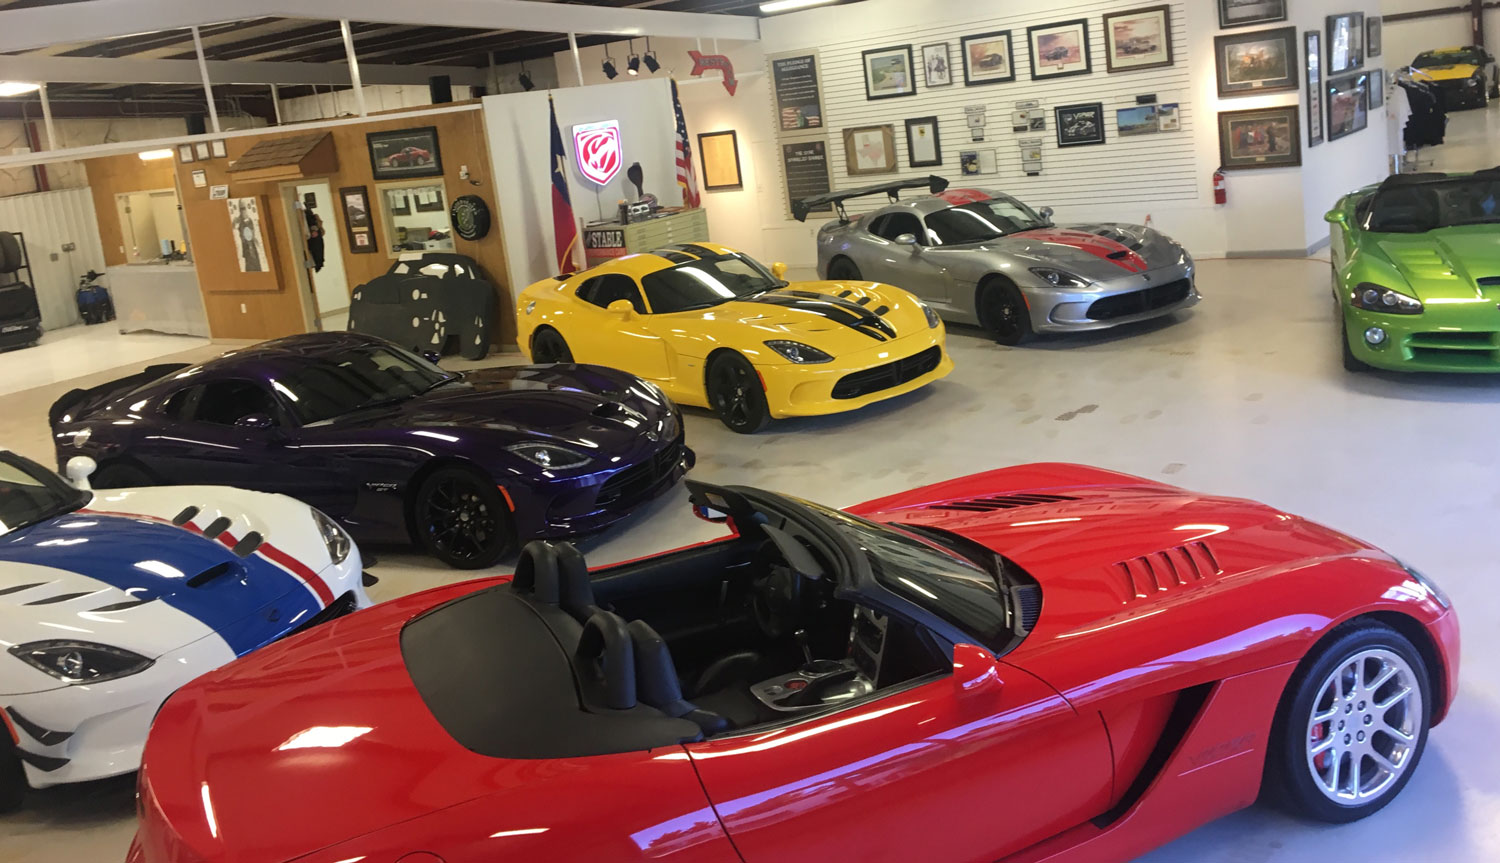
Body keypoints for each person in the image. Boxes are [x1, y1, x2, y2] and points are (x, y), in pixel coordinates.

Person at [234, 201, 263, 273]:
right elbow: (235, 228)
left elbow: (252, 231)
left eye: (244, 209)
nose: (243, 211)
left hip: (252, 246)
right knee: (249, 264)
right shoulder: (238, 220)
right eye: (241, 209)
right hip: (246, 247)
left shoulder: (249, 220)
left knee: (256, 263)